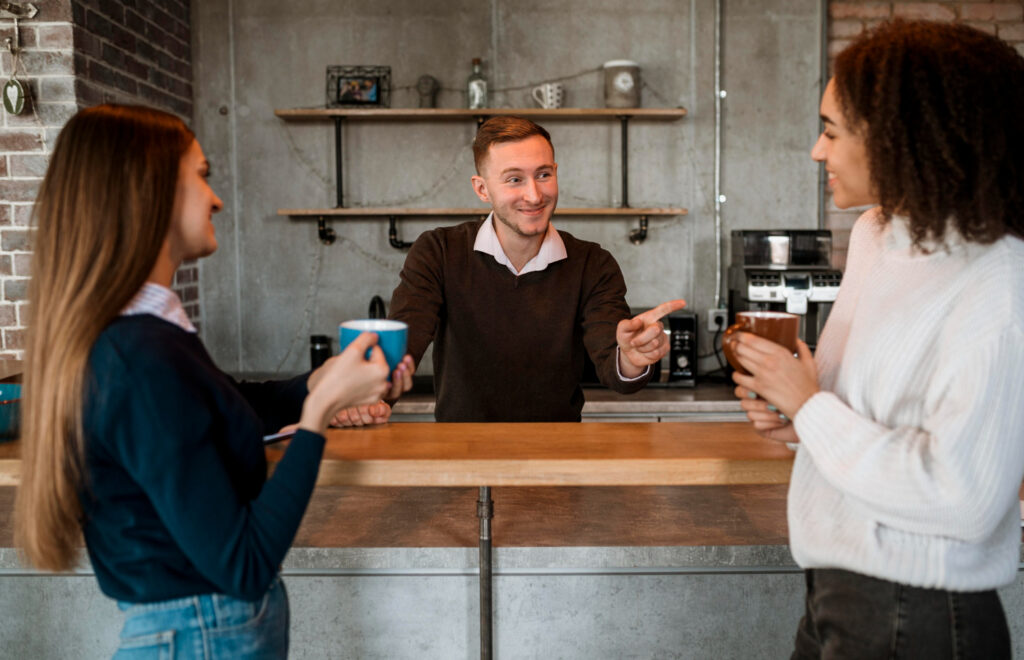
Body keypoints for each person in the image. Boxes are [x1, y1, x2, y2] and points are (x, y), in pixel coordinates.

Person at [14, 104, 412, 658]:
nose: (216, 198)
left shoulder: (137, 336)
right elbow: (245, 563)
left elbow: (226, 408)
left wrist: (317, 383)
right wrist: (319, 413)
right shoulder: (141, 356)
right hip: (203, 636)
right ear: (147, 193)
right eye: (201, 176)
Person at [729, 20, 1024, 659]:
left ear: (906, 137)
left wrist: (811, 407)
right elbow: (857, 409)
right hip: (834, 591)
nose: (816, 151)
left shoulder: (1000, 277)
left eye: (832, 131)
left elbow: (966, 500)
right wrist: (797, 416)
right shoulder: (874, 235)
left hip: (919, 613)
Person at [388, 115, 685, 421]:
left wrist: (632, 359)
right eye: (514, 179)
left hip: (557, 455)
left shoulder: (592, 264)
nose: (534, 195)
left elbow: (615, 364)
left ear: (556, 173)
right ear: (482, 189)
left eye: (543, 174)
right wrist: (373, 399)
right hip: (463, 453)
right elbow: (405, 340)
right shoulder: (438, 252)